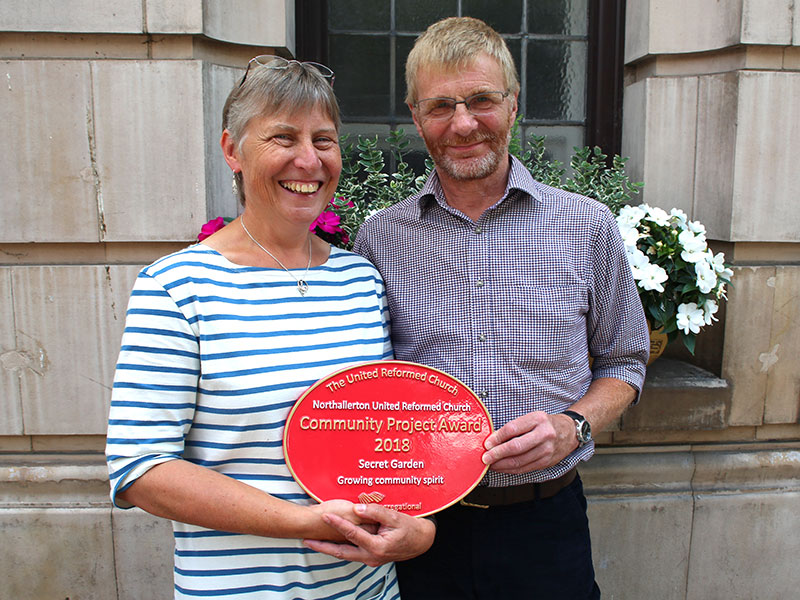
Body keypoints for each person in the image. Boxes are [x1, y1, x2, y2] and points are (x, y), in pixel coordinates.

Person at [312, 17, 650, 599]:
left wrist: (573, 426)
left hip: (544, 527)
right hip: (416, 526)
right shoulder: (381, 237)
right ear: (415, 116)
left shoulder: (586, 226)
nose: (463, 123)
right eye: (440, 106)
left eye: (482, 101)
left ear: (513, 104)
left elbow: (626, 361)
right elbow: (358, 381)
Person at [105, 55, 432, 599]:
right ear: (233, 150)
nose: (309, 160)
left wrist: (420, 525)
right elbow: (141, 469)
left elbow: (389, 438)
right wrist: (305, 522)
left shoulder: (360, 279)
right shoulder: (178, 286)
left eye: (324, 140)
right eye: (283, 137)